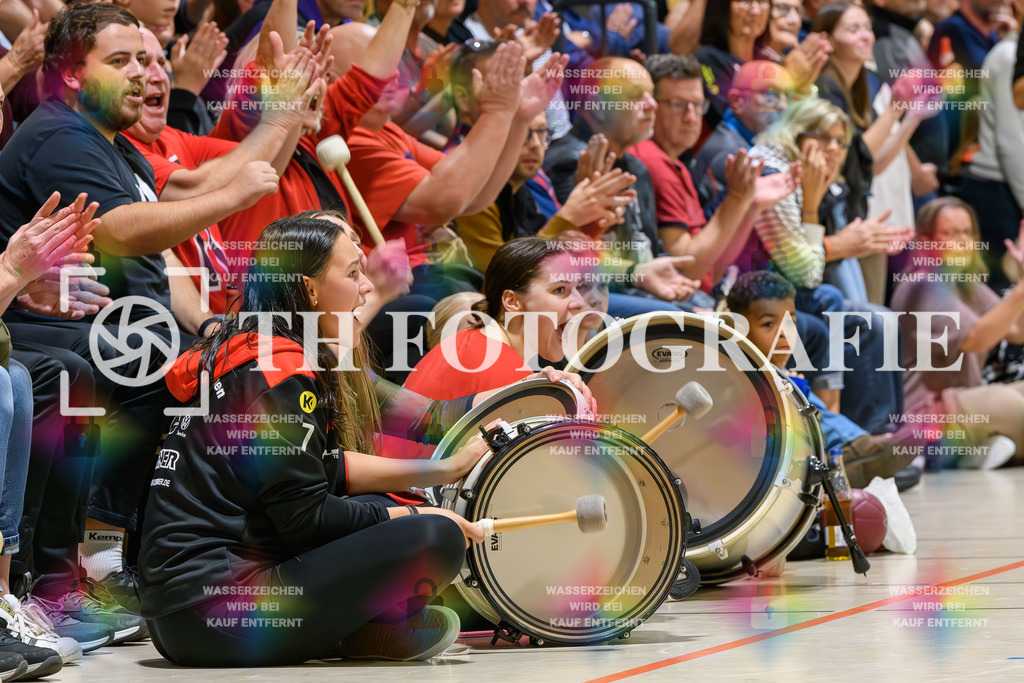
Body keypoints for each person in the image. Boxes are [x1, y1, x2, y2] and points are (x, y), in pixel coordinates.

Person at [140, 215, 493, 666]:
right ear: (308, 289)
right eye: (352, 273)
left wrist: (444, 471)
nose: (366, 288)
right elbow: (305, 518)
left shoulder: (250, 352)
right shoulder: (280, 374)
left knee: (411, 515)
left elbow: (321, 469)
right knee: (435, 535)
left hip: (181, 618)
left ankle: (356, 633)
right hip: (221, 616)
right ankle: (354, 633)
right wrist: (413, 514)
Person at [726, 270, 919, 488]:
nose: (784, 332)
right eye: (769, 324)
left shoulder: (779, 366)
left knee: (798, 392)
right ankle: (850, 451)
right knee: (793, 393)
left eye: (791, 322)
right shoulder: (739, 369)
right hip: (765, 460)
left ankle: (848, 458)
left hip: (801, 451)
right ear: (739, 328)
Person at [891, 197, 1024, 469]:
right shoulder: (923, 284)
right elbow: (976, 339)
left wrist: (1019, 279)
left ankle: (978, 447)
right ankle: (953, 451)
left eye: (967, 232)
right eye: (951, 233)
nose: (962, 241)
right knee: (1004, 401)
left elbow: (1016, 331)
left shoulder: (966, 283)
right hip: (927, 413)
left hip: (966, 402)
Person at [405, 238, 587, 399]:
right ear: (512, 301)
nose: (580, 302)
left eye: (578, 288)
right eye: (560, 289)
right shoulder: (503, 370)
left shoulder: (461, 340)